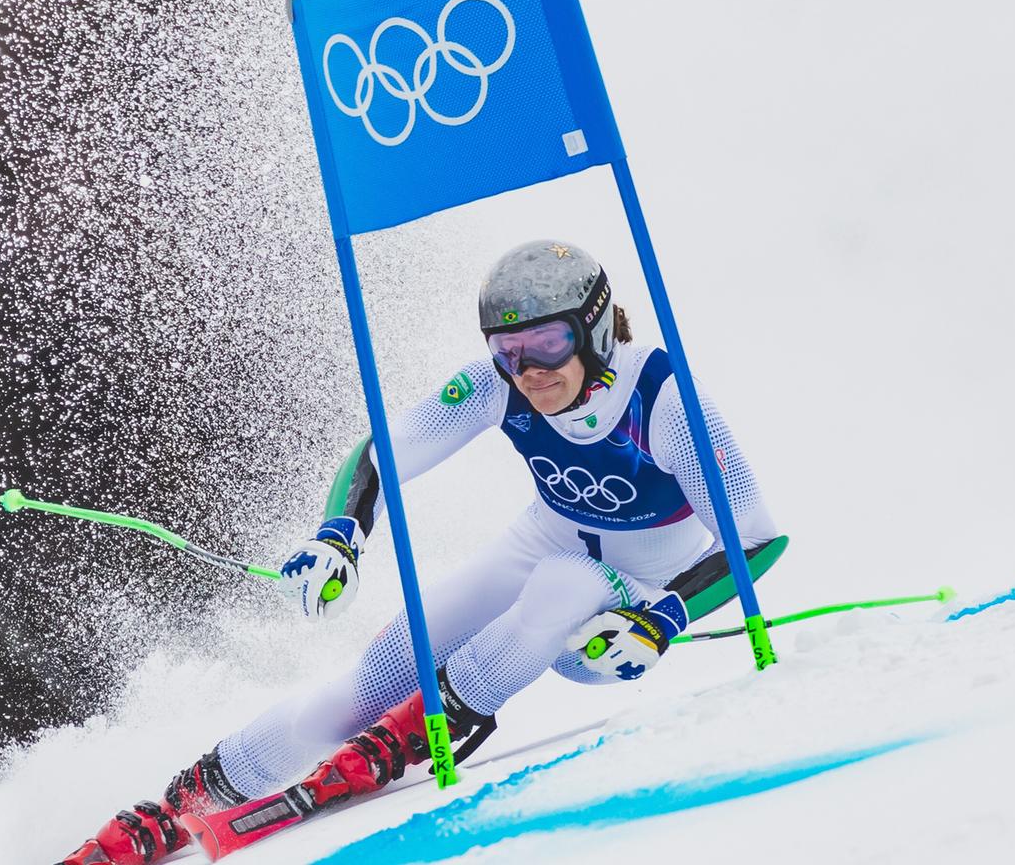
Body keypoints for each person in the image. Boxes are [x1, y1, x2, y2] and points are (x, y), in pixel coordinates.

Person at [60, 239, 778, 865]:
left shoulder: (663, 396)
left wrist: (666, 621)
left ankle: (422, 730)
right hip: (542, 545)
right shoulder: (498, 385)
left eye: (550, 344)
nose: (530, 370)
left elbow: (755, 535)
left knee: (563, 583)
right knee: (378, 673)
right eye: (510, 351)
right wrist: (341, 532)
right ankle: (193, 797)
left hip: (622, 611)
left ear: (593, 327)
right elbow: (384, 449)